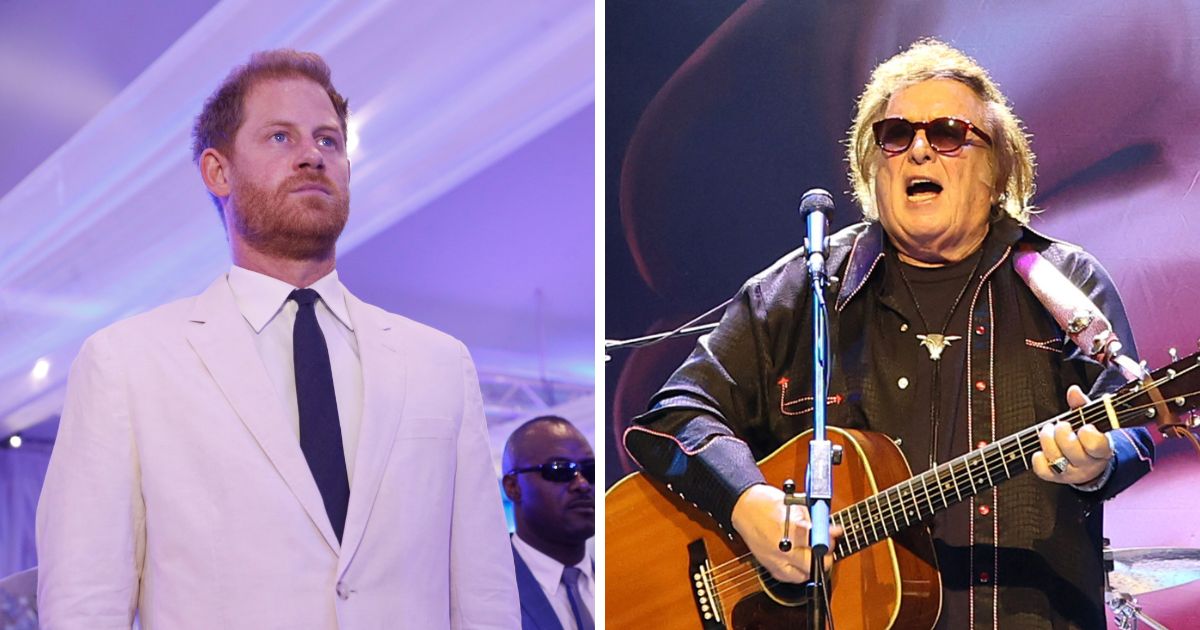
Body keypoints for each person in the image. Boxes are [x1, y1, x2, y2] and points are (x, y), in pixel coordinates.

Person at [624, 39, 1154, 628]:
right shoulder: (804, 291)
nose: (920, 150)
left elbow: (1134, 425)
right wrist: (748, 502)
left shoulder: (1066, 283)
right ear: (872, 168)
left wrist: (1099, 461)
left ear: (997, 166)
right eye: (896, 135)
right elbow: (672, 416)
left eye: (948, 133)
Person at [35, 49, 518, 629]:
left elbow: (485, 598)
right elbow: (85, 604)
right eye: (280, 138)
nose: (312, 155)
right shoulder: (128, 363)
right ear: (218, 171)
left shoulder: (439, 363)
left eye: (328, 141)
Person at [502, 416, 595, 630]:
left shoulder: (623, 583)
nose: (582, 484)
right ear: (513, 487)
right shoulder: (482, 590)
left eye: (590, 471)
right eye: (559, 470)